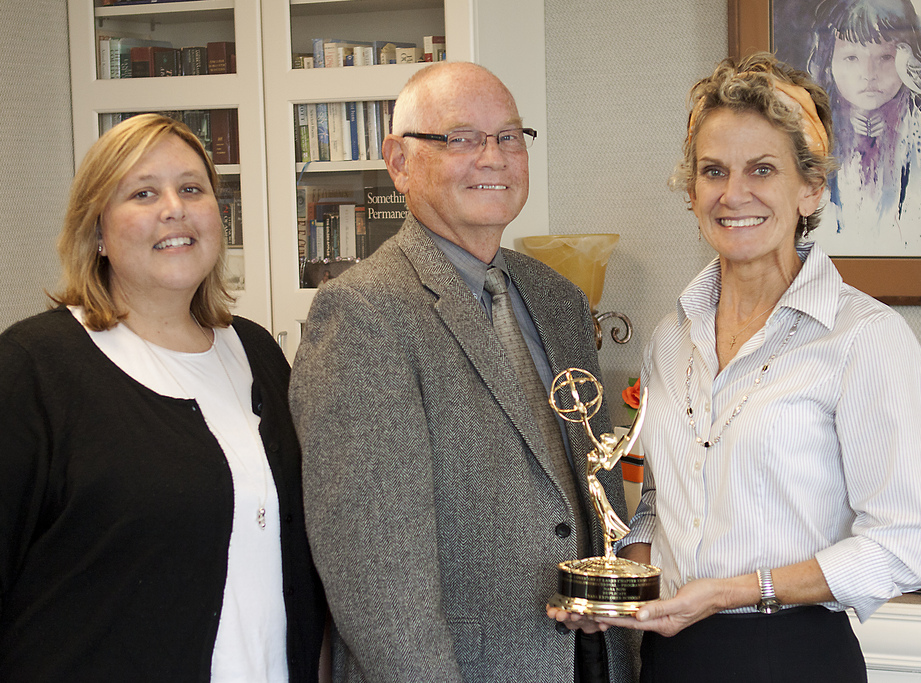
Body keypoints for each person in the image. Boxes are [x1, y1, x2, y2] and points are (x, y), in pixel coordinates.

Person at [592, 53, 921, 681]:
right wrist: (618, 590)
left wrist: (731, 590)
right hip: (672, 656)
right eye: (714, 172)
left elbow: (905, 548)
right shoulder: (670, 339)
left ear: (810, 188)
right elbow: (660, 507)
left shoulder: (866, 339)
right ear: (692, 191)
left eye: (762, 169)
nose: (734, 194)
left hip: (794, 656)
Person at [290, 62, 637, 683]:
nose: (494, 157)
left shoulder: (556, 299)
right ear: (398, 162)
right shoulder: (364, 312)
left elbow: (591, 485)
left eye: (509, 137)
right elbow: (374, 570)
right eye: (460, 138)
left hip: (589, 660)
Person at [0, 114, 326, 682]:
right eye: (143, 193)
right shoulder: (35, 368)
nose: (173, 208)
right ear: (97, 230)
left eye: (191, 188)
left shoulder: (256, 352)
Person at [804, 0, 921, 253]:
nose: (869, 74)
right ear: (827, 62)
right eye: (852, 57)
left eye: (886, 57)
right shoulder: (812, 132)